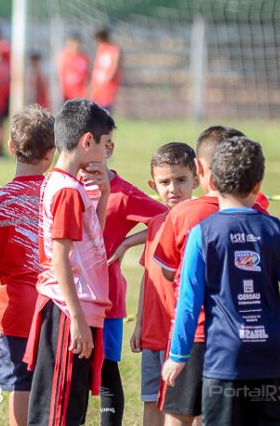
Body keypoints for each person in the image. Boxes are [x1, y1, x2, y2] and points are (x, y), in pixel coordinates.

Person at [162, 136, 280, 425]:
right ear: (257, 186)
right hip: (272, 360)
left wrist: (178, 354)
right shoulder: (277, 230)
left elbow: (189, 300)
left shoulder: (202, 233)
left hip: (224, 362)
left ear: (212, 181)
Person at [153, 126, 264, 426]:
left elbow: (168, 271)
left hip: (195, 333)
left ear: (199, 169)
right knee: (221, 414)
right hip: (243, 334)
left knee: (178, 414)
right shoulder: (261, 215)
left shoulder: (183, 214)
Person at [23, 99, 115, 425]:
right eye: (105, 144)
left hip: (75, 306)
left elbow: (90, 241)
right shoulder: (67, 191)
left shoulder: (70, 185)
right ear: (87, 141)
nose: (107, 152)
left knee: (70, 408)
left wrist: (104, 195)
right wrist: (76, 318)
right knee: (57, 412)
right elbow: (60, 257)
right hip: (67, 309)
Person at [0, 105, 55, 426]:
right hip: (58, 307)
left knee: (20, 384)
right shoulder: (62, 196)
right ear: (51, 153)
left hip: (14, 309)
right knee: (54, 381)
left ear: (10, 147)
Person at [98, 138, 167, 426]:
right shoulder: (66, 186)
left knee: (106, 370)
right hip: (67, 298)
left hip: (108, 299)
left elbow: (168, 216)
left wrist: (126, 242)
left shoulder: (123, 193)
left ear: (109, 148)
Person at [131, 142, 198, 426]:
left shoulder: (200, 222)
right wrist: (139, 325)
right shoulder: (155, 224)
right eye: (165, 182)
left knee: (189, 404)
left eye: (181, 180)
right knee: (151, 398)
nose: (173, 189)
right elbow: (149, 277)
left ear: (196, 179)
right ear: (153, 185)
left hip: (185, 334)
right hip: (153, 332)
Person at [90, 28, 121, 113]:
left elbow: (115, 67)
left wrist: (107, 81)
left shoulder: (114, 49)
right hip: (97, 85)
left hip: (108, 85)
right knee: (95, 110)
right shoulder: (101, 48)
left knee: (105, 110)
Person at [57, 33, 89, 102]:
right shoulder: (64, 56)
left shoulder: (84, 56)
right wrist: (62, 91)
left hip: (81, 93)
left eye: (78, 44)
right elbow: (61, 74)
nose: (76, 46)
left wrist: (87, 90)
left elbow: (87, 74)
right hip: (68, 93)